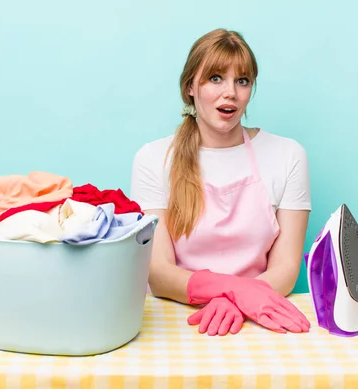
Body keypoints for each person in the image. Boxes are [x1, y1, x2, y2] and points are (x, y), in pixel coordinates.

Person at [129, 28, 312, 336]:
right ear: (190, 86)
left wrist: (240, 301)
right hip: (177, 321)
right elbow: (158, 273)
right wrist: (235, 291)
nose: (231, 92)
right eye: (215, 78)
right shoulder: (153, 158)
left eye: (242, 81)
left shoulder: (287, 155)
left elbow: (286, 268)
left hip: (259, 317)